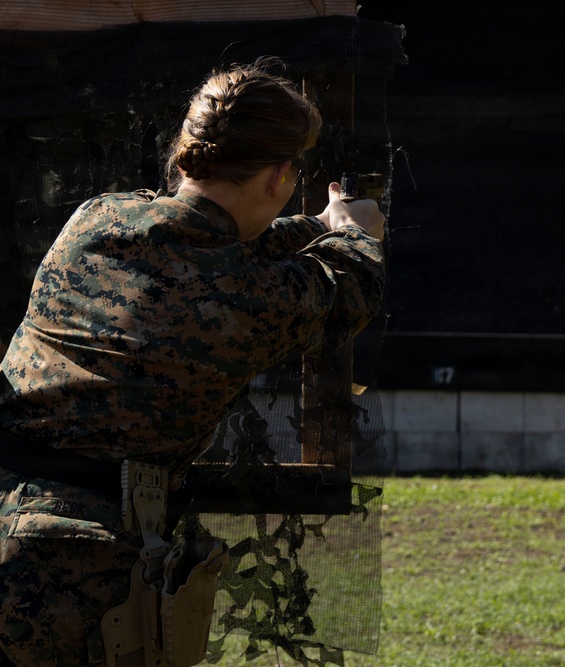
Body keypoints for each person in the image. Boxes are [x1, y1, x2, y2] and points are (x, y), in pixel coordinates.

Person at [0, 58, 386, 667]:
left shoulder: (97, 218)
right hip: (72, 575)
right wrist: (354, 234)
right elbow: (349, 288)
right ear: (279, 176)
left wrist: (313, 224)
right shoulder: (245, 299)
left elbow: (210, 245)